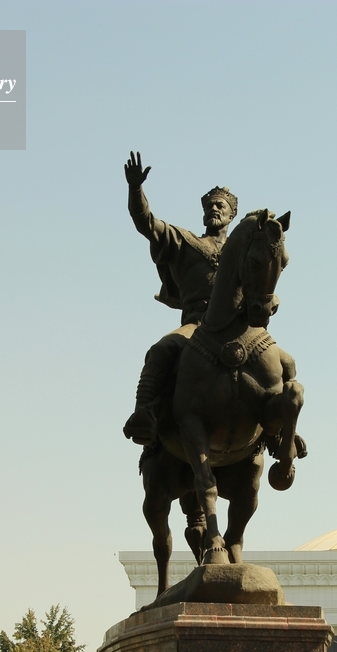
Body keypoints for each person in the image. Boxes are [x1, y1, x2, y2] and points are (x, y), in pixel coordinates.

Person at [123, 151, 238, 445]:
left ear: (232, 215)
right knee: (162, 349)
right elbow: (146, 222)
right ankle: (144, 413)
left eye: (220, 205)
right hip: (197, 326)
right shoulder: (185, 241)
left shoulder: (241, 251)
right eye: (210, 205)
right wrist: (136, 188)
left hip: (239, 328)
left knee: (284, 364)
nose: (214, 208)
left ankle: (282, 432)